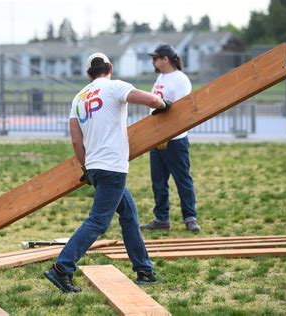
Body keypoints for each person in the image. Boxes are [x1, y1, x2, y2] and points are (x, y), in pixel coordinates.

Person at [44, 52, 171, 293]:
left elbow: (75, 140)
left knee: (129, 216)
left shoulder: (79, 98)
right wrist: (164, 104)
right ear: (110, 68)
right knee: (98, 221)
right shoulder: (115, 87)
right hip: (113, 166)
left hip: (95, 165)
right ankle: (62, 268)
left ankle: (144, 269)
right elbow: (153, 101)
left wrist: (87, 167)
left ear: (88, 74)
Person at [140, 44, 201, 233]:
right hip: (156, 137)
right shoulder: (161, 77)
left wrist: (168, 134)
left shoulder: (181, 80)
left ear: (165, 59)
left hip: (175, 139)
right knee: (158, 181)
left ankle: (190, 217)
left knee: (182, 178)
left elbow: (179, 111)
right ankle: (161, 219)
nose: (153, 61)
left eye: (155, 58)